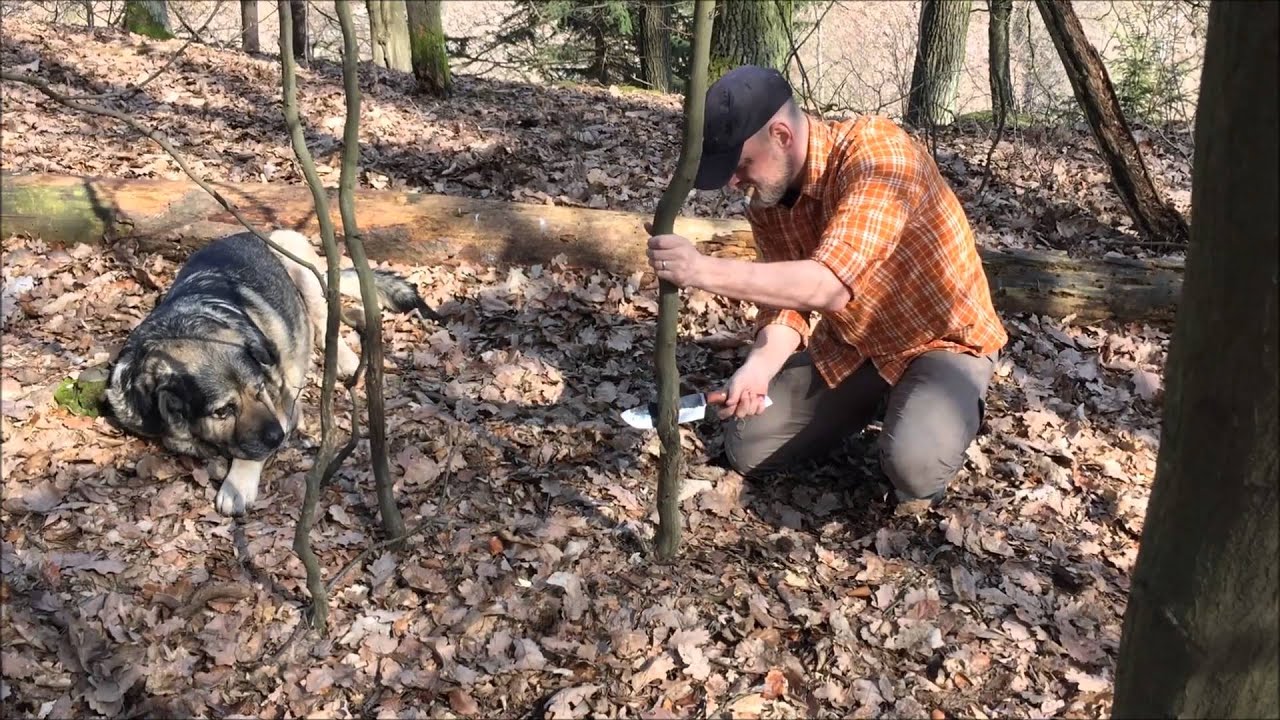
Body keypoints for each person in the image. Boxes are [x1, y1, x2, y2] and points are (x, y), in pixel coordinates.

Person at [646, 65, 1008, 509]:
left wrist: (700, 270)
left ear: (782, 136)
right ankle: (882, 403)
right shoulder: (771, 198)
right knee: (748, 444)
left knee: (913, 466)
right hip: (858, 345)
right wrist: (758, 368)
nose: (734, 182)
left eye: (741, 165)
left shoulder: (879, 154)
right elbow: (788, 304)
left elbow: (828, 285)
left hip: (944, 341)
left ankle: (926, 415)